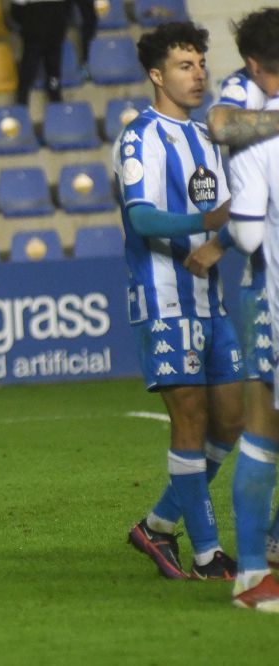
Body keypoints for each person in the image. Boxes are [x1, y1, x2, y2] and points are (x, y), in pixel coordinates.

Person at [115, 22, 241, 581]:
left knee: (230, 423)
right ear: (157, 75)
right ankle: (208, 553)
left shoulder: (209, 137)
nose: (198, 75)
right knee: (189, 421)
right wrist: (203, 223)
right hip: (164, 302)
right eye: (185, 66)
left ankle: (158, 524)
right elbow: (140, 218)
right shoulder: (140, 137)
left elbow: (237, 209)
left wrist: (220, 240)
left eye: (200, 64)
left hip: (212, 303)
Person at [176, 8, 279, 610]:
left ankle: (259, 564)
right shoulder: (241, 94)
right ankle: (252, 568)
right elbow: (218, 123)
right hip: (264, 287)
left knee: (264, 432)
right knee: (261, 427)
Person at [10, 0, 68, 107]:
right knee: (29, 75)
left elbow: (67, 8)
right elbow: (15, 11)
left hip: (49, 36)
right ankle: (21, 107)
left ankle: (57, 107)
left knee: (53, 76)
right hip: (37, 37)